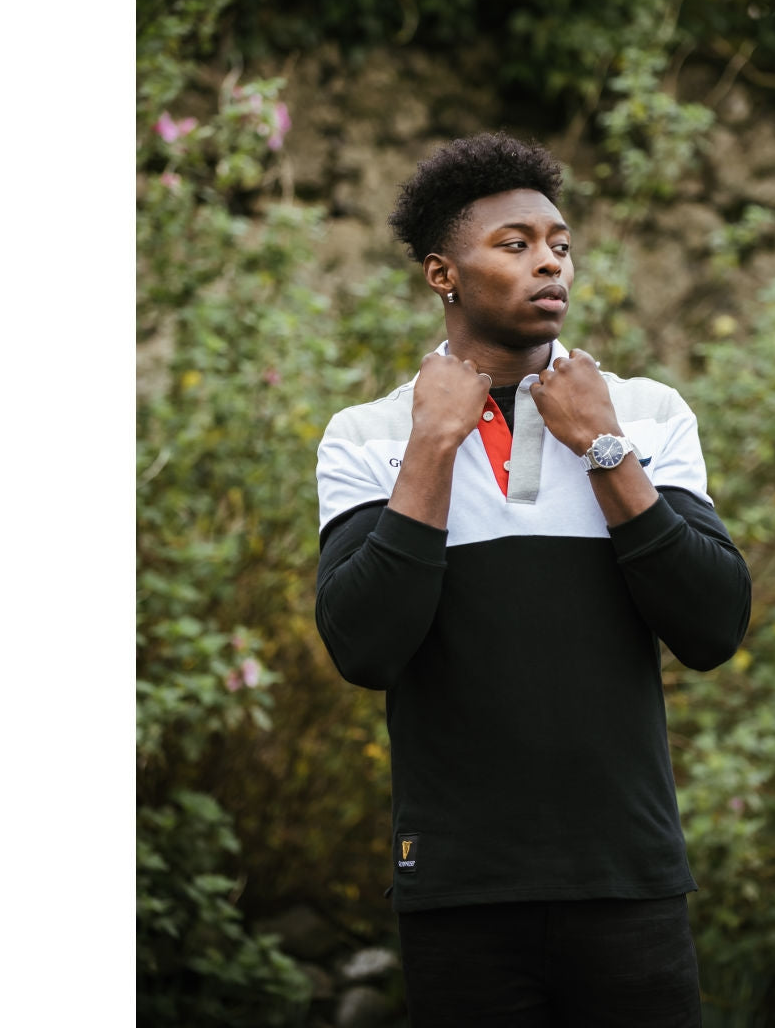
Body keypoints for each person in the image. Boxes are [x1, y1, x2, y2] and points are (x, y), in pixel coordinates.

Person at [315, 132, 751, 1027]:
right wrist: (434, 443)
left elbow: (713, 626)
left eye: (558, 243)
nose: (550, 262)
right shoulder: (366, 435)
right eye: (514, 245)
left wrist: (605, 447)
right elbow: (364, 645)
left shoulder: (647, 415)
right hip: (459, 892)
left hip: (629, 883)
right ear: (445, 273)